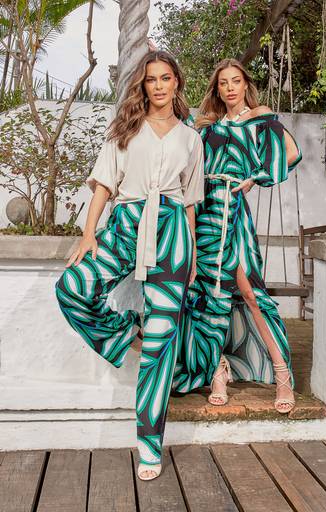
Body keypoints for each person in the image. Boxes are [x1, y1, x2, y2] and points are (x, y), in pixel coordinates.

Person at [55, 50, 204, 481]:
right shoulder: (125, 129)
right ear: (143, 85)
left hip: (173, 232)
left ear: (177, 83)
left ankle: (149, 445)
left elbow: (190, 201)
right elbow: (104, 185)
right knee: (73, 288)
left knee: (161, 346)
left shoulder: (191, 139)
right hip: (126, 222)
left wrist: (192, 253)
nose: (158, 86)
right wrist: (89, 234)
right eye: (151, 79)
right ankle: (126, 333)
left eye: (165, 78)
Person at [172, 58, 301, 414]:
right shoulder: (207, 126)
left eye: (236, 81)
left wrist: (255, 178)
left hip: (233, 212)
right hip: (204, 210)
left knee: (249, 293)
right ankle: (218, 371)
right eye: (223, 83)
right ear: (217, 89)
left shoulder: (261, 118)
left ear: (245, 85)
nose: (230, 88)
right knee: (204, 294)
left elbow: (292, 153)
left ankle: (281, 373)